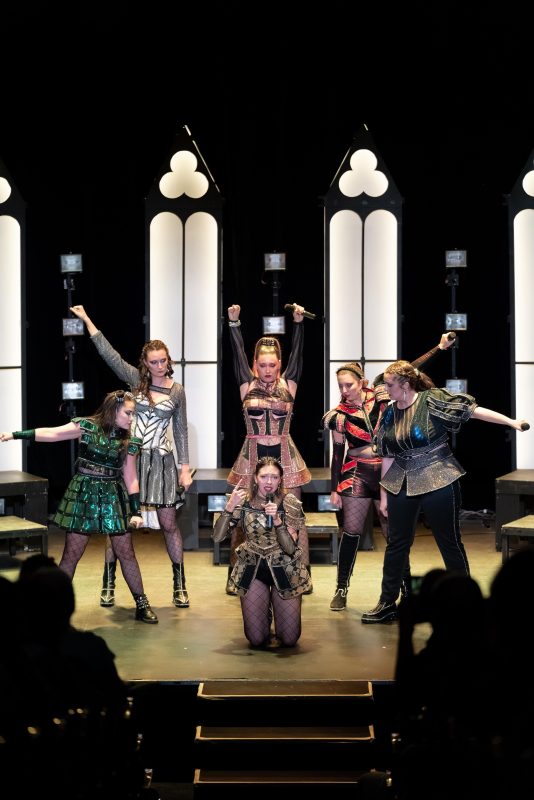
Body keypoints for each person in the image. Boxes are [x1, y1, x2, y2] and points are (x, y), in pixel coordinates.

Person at [361, 359, 530, 624]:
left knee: (449, 541)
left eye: (390, 385)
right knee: (397, 544)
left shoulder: (431, 400)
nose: (385, 389)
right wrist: (383, 494)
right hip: (401, 480)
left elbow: (473, 411)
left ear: (405, 384)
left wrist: (511, 422)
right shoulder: (390, 412)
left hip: (438, 475)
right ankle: (387, 602)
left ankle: (466, 603)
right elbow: (387, 455)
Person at [70, 304, 193, 609]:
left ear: (169, 360)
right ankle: (108, 581)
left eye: (164, 360)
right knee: (119, 524)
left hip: (162, 463)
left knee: (169, 523)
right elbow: (109, 355)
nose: (160, 365)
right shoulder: (135, 381)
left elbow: (180, 431)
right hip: (130, 461)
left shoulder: (177, 391)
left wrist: (184, 468)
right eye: (154, 361)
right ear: (145, 364)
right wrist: (87, 319)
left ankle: (179, 584)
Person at [0, 389, 158, 623]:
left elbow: (131, 477)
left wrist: (136, 511)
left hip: (112, 495)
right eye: (128, 413)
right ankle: (54, 608)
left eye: (133, 414)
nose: (132, 418)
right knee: (72, 554)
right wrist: (15, 435)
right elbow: (52, 433)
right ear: (114, 410)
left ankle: (142, 604)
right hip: (84, 493)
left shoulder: (129, 441)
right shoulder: (87, 427)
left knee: (126, 552)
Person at [323, 333, 455, 611]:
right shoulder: (338, 415)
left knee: (395, 536)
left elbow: (410, 369)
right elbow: (337, 453)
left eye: (349, 384)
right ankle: (341, 588)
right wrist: (334, 488)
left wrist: (439, 347)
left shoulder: (384, 393)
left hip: (389, 470)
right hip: (356, 472)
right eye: (340, 386)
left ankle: (406, 590)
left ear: (362, 382)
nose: (344, 390)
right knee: (352, 530)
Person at [225, 302, 312, 595]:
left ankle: (300, 575)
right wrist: (234, 324)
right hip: (251, 457)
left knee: (294, 517)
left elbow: (298, 355)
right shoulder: (246, 385)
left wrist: (298, 324)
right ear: (254, 364)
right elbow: (236, 355)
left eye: (272, 365)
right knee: (241, 517)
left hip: (285, 455)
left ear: (279, 364)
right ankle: (238, 575)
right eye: (261, 365)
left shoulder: (289, 384)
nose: (267, 370)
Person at [213, 456, 311, 648]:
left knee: (289, 640)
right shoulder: (243, 501)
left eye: (274, 477)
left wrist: (278, 522)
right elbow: (217, 537)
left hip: (285, 568)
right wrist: (229, 507)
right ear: (255, 478)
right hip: (253, 568)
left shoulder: (289, 502)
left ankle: (275, 607)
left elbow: (290, 549)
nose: (269, 482)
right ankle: (264, 611)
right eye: (264, 476)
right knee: (256, 640)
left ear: (280, 480)